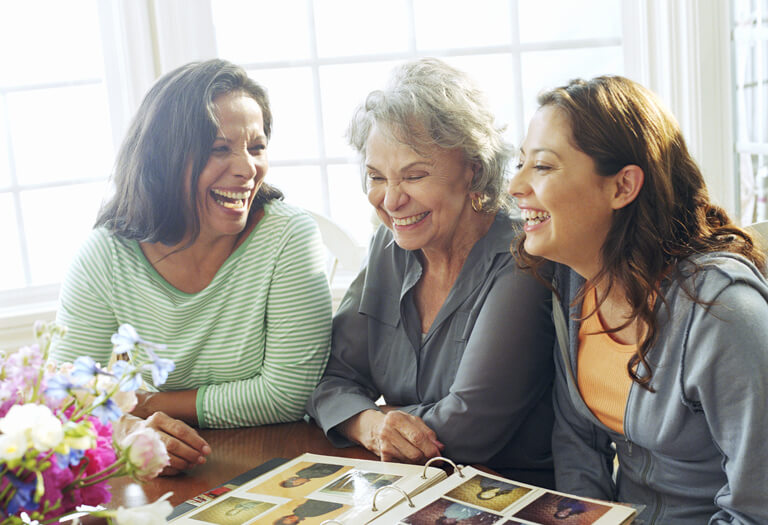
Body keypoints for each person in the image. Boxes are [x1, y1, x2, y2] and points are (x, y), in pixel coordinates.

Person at [51, 59, 333, 475]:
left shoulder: (287, 237)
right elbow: (66, 393)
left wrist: (146, 404)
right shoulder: (105, 256)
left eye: (256, 147)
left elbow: (288, 394)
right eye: (220, 149)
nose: (247, 168)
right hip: (166, 472)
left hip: (280, 460)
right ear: (163, 159)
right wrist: (128, 429)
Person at [509, 75, 768, 523]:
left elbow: (757, 507)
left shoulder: (725, 315)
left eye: (544, 167)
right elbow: (579, 447)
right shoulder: (572, 283)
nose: (516, 186)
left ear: (623, 186)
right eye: (520, 163)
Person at [306, 58, 556, 487]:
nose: (390, 200)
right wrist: (369, 424)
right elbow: (329, 380)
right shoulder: (391, 245)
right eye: (376, 177)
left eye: (414, 175)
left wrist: (370, 416)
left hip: (509, 495)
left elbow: (467, 429)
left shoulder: (522, 255)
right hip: (408, 488)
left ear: (473, 170)